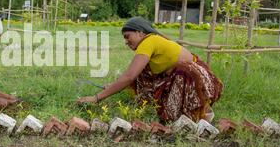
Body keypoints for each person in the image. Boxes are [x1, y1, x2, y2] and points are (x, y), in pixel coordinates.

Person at [77, 17, 223, 123]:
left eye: (128, 37)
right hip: (192, 75)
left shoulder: (148, 41)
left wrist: (96, 98)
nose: (126, 42)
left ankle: (200, 112)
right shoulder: (151, 41)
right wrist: (114, 86)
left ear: (140, 32)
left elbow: (129, 76)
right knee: (143, 72)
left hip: (195, 79)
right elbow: (132, 75)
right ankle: (152, 103)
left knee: (172, 111)